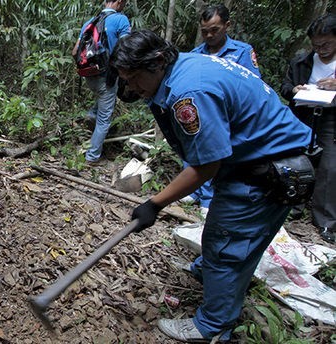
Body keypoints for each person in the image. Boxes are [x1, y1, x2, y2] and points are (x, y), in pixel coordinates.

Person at [110, 30, 312, 342]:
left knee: (225, 246)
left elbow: (206, 165)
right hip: (257, 160)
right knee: (225, 238)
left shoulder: (188, 93)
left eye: (135, 77)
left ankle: (212, 326)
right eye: (125, 79)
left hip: (267, 170)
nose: (131, 87)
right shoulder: (184, 67)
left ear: (158, 62)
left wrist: (155, 204)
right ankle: (214, 276)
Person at [181, 4, 262, 214]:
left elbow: (253, 84)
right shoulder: (196, 55)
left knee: (217, 155)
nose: (209, 35)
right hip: (202, 112)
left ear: (227, 25)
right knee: (196, 148)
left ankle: (209, 199)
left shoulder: (242, 52)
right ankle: (194, 192)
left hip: (230, 114)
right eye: (204, 31)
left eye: (214, 30)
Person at [281, 13, 336, 242]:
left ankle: (326, 222)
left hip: (332, 120)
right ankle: (293, 206)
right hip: (304, 116)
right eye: (317, 45)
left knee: (330, 168)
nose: (321, 49)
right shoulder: (302, 60)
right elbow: (285, 86)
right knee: (298, 160)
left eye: (327, 44)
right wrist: (296, 90)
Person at [71, 0, 130, 164]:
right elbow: (127, 49)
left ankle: (91, 114)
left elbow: (75, 51)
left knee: (102, 99)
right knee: (105, 119)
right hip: (108, 76)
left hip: (89, 75)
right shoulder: (121, 20)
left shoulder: (89, 22)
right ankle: (92, 156)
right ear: (119, 2)